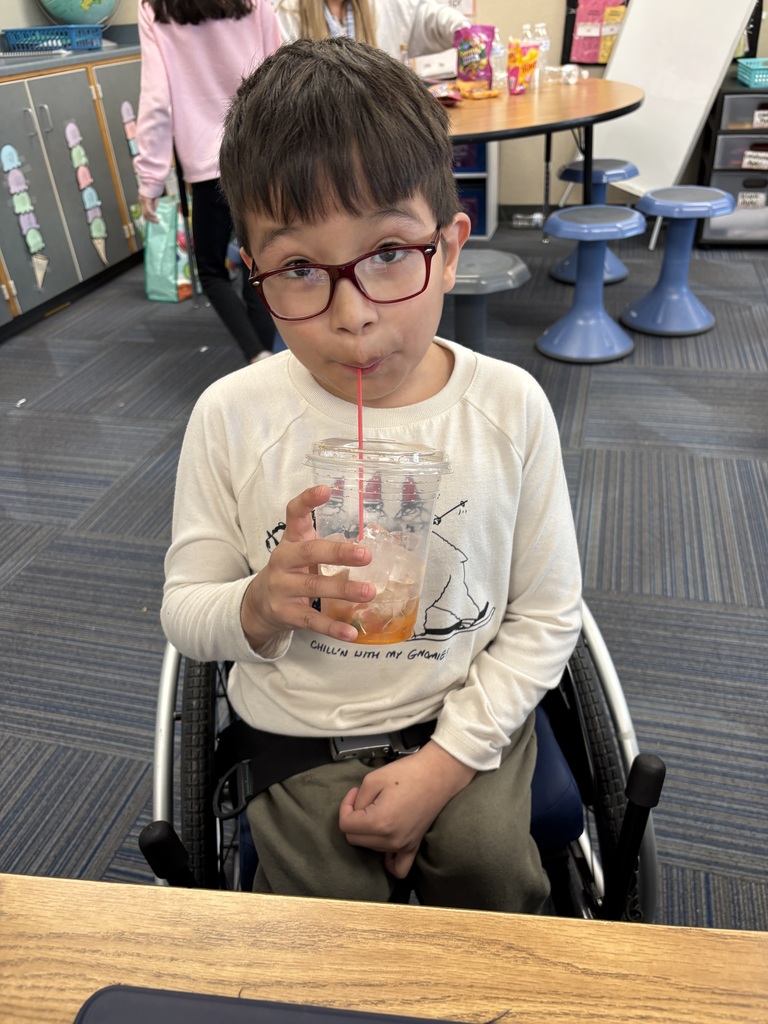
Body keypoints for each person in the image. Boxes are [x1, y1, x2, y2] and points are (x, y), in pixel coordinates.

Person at [162, 37, 582, 911]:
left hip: (464, 713)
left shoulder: (509, 409)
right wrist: (255, 604)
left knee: (494, 874)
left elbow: (546, 615)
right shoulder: (231, 417)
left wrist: (445, 763)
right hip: (299, 729)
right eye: (300, 269)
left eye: (390, 252)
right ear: (253, 276)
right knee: (323, 917)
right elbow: (185, 611)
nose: (352, 316)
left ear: (450, 249)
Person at [135, 0, 282, 364]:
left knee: (212, 271)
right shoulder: (254, 3)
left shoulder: (155, 8)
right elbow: (281, 74)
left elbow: (156, 101)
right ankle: (264, 355)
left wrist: (150, 178)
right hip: (259, 154)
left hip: (206, 165)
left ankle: (257, 354)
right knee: (259, 261)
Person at [271, 0, 469, 60]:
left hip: (377, 127)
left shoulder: (384, 6)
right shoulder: (287, 13)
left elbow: (433, 18)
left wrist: (468, 35)